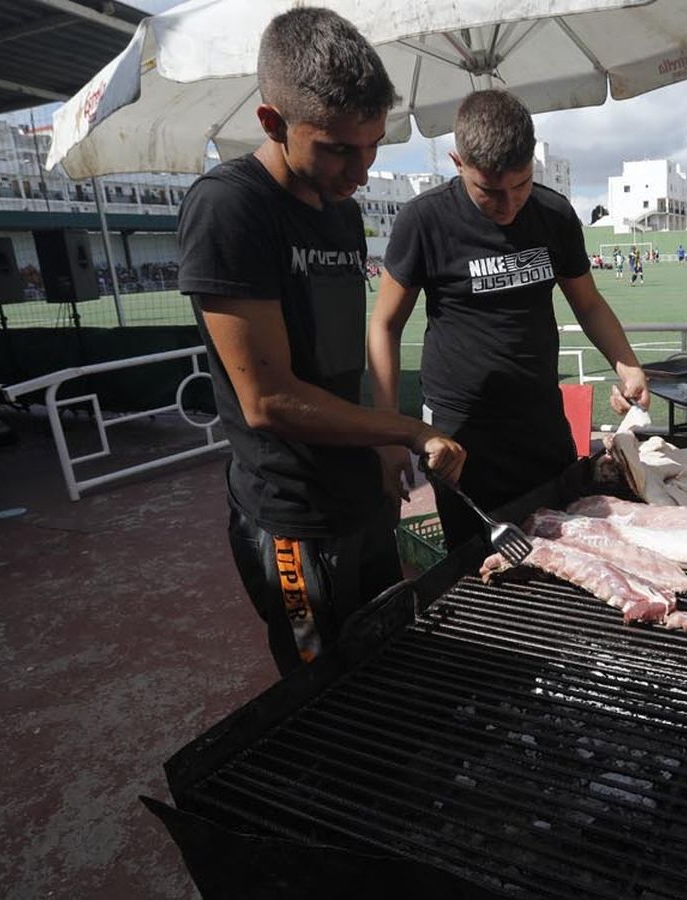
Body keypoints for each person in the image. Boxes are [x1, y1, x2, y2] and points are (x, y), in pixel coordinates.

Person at [177, 7, 465, 676]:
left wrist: (382, 450)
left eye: (373, 146)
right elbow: (267, 400)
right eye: (338, 148)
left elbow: (336, 359)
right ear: (272, 123)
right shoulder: (230, 208)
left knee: (380, 657)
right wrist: (404, 429)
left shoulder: (342, 212)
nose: (361, 171)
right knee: (316, 683)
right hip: (292, 519)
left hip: (359, 496)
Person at [369, 89, 650, 549]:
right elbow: (384, 325)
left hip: (541, 419)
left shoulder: (553, 213)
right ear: (457, 162)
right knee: (476, 560)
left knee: (567, 542)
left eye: (520, 185)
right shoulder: (424, 220)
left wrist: (626, 363)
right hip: (461, 431)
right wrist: (386, 434)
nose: (509, 204)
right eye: (490, 192)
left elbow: (589, 303)